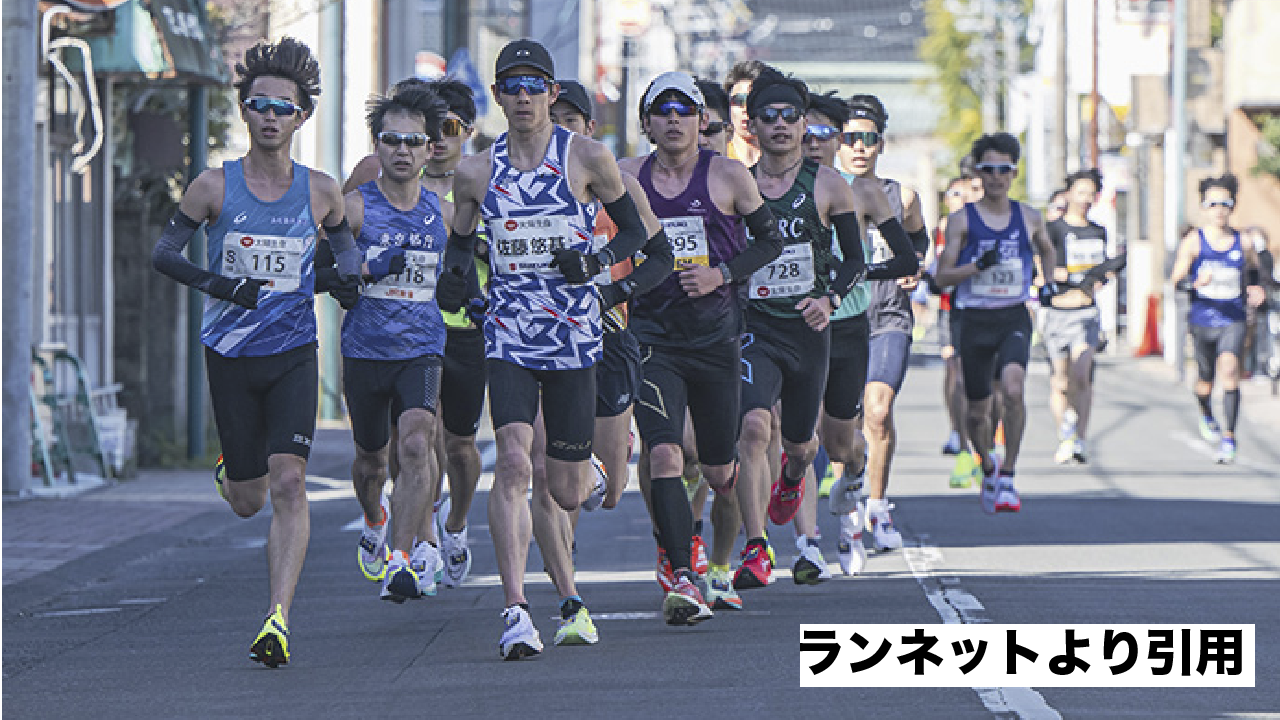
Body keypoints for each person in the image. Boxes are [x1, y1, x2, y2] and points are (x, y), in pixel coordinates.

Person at [436, 39, 662, 658]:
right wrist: (458, 285)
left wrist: (594, 261)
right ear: (498, 96)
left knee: (565, 490)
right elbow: (460, 245)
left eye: (535, 85)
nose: (524, 96)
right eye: (512, 86)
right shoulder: (476, 171)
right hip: (508, 335)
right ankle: (515, 609)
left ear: (552, 93)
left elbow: (638, 236)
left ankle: (582, 492)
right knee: (513, 462)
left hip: (575, 338)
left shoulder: (587, 157)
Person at [151, 37, 360, 666]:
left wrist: (349, 281)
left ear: (301, 117)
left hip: (294, 350)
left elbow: (344, 259)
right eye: (259, 105)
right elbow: (164, 254)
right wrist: (222, 287)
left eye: (283, 107)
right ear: (244, 111)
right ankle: (232, 467)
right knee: (249, 501)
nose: (270, 116)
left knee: (290, 480)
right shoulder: (213, 186)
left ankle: (277, 618)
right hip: (230, 353)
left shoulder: (323, 192)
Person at [618, 70, 787, 614]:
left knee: (718, 470)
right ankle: (682, 572)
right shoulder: (626, 176)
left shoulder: (728, 176)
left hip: (715, 339)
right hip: (652, 338)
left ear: (701, 121)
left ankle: (720, 556)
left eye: (684, 111)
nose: (673, 120)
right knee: (665, 453)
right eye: (662, 111)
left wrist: (722, 274)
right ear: (646, 123)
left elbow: (770, 242)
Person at [746, 80, 916, 584]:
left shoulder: (855, 190)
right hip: (783, 323)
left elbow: (904, 257)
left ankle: (857, 479)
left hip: (845, 326)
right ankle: (805, 542)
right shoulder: (758, 184)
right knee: (783, 429)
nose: (815, 142)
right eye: (811, 132)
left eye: (824, 134)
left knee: (842, 442)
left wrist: (847, 282)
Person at [315, 86, 452, 604]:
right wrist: (361, 272)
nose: (402, 151)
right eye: (392, 140)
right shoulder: (352, 209)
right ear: (377, 145)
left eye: (413, 141)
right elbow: (310, 274)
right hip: (365, 351)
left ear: (429, 149)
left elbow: (469, 269)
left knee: (416, 444)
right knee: (371, 462)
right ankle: (373, 518)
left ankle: (400, 558)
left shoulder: (442, 215)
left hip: (422, 349)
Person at [826, 95, 931, 552]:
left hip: (887, 315)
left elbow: (918, 241)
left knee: (879, 411)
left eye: (868, 139)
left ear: (881, 144)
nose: (859, 147)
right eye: (850, 138)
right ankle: (849, 508)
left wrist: (916, 265)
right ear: (837, 142)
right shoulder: (826, 192)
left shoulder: (902, 196)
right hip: (842, 315)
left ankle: (878, 504)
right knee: (842, 424)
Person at [935, 132, 1057, 514]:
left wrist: (1048, 281)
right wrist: (975, 267)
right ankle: (987, 466)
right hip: (974, 320)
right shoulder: (961, 221)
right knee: (977, 412)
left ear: (1014, 173)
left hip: (1012, 315)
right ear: (978, 173)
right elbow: (942, 277)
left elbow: (1048, 249)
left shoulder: (1029, 217)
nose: (997, 177)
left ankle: (1008, 473)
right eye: (989, 170)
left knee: (1014, 390)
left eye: (1004, 170)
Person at [1169, 174, 1266, 464]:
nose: (1219, 210)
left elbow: (1254, 271)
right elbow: (1176, 280)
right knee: (1205, 381)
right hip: (1203, 319)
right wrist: (1194, 282)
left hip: (1233, 317)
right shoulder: (1194, 242)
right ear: (1203, 207)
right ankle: (1205, 410)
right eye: (1213, 204)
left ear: (1232, 206)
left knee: (1230, 370)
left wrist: (1255, 287)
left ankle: (1229, 437)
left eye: (1225, 203)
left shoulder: (1243, 241)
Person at [1042, 168, 1126, 465]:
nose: (1085, 199)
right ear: (1069, 194)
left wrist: (1102, 277)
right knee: (1061, 382)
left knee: (1082, 374)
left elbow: (1102, 269)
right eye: (1081, 192)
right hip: (1057, 311)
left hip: (1086, 312)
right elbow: (1039, 263)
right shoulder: (1053, 229)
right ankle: (1065, 432)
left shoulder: (1098, 231)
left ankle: (1080, 437)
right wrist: (1053, 274)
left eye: (1091, 193)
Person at [723, 60, 766, 166]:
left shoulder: (781, 160)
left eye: (753, 101)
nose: (746, 108)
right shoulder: (718, 158)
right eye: (739, 100)